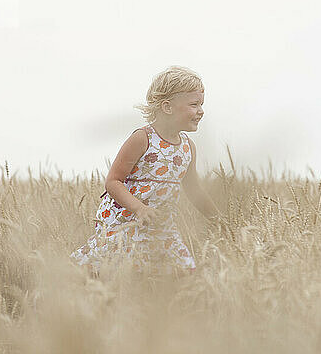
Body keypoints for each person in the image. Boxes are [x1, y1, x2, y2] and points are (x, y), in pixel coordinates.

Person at [70, 66, 221, 276]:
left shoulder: (188, 147)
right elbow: (113, 181)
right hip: (124, 224)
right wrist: (139, 209)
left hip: (161, 227)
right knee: (111, 274)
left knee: (184, 272)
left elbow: (194, 189)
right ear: (167, 107)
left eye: (201, 104)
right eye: (194, 104)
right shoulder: (143, 139)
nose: (201, 111)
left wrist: (218, 219)